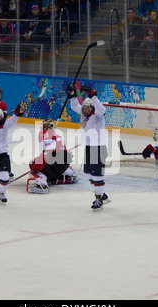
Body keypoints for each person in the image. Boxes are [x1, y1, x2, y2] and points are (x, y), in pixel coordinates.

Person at [67, 83, 111, 211]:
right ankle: (102, 194)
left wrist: (93, 96)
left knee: (97, 176)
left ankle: (98, 198)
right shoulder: (83, 112)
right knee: (87, 174)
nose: (85, 110)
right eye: (84, 108)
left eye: (88, 108)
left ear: (92, 108)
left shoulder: (98, 114)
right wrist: (72, 95)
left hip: (98, 148)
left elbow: (102, 109)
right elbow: (75, 105)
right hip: (88, 147)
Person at [26, 119, 77, 194]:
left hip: (54, 160)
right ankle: (69, 174)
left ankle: (42, 185)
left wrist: (34, 165)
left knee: (35, 170)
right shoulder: (57, 135)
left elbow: (44, 154)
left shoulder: (42, 133)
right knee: (55, 165)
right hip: (66, 160)